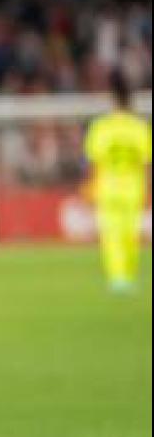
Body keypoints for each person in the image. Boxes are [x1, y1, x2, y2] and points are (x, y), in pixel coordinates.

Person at [84, 74, 151, 293]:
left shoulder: (101, 126)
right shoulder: (138, 127)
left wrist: (90, 184)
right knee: (130, 233)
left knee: (111, 233)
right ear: (130, 101)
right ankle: (128, 276)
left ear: (112, 101)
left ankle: (117, 278)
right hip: (133, 186)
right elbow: (146, 161)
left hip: (108, 186)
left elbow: (94, 160)